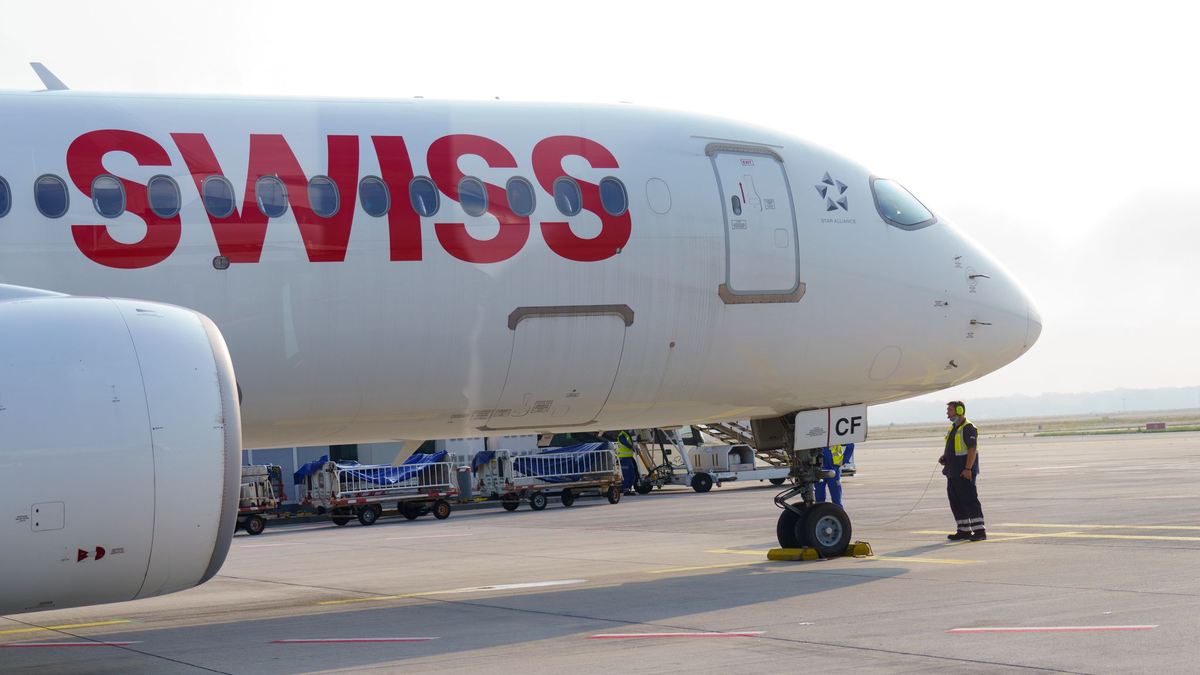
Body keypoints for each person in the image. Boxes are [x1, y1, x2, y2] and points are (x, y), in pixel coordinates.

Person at [940, 401, 985, 541]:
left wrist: (968, 469)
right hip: (952, 472)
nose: (947, 412)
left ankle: (979, 531)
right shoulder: (953, 428)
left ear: (959, 410)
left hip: (963, 472)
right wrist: (945, 457)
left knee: (969, 500)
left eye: (950, 410)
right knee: (956, 502)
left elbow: (972, 449)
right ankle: (964, 530)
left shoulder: (968, 428)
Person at [814, 443, 853, 507]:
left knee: (836, 500)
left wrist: (843, 460)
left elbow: (851, 445)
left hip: (833, 470)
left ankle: (839, 514)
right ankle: (820, 514)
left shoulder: (834, 437)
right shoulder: (817, 438)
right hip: (819, 470)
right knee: (819, 501)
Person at [616, 430, 640, 495]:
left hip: (628, 457)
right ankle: (625, 490)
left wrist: (638, 440)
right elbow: (626, 444)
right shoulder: (622, 435)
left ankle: (628, 489)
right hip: (623, 458)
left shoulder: (627, 435)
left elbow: (631, 444)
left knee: (632, 474)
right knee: (625, 474)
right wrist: (632, 447)